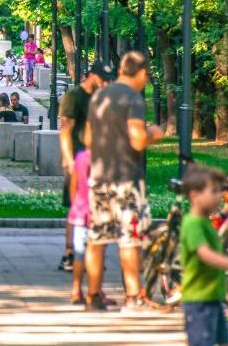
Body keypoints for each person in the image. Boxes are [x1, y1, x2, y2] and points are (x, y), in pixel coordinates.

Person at [83, 51, 163, 312]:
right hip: (127, 179)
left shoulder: (99, 96)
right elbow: (137, 139)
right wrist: (154, 133)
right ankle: (133, 297)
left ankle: (93, 296)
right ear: (141, 73)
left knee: (97, 238)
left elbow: (87, 139)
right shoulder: (133, 98)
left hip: (99, 178)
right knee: (130, 238)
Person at [178, 164, 228, 345]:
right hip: (199, 301)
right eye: (214, 191)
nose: (219, 196)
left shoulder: (205, 222)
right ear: (194, 195)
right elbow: (204, 253)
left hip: (213, 298)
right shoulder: (193, 224)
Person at [57, 62, 114, 272]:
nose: (105, 82)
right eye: (102, 78)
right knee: (76, 208)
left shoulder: (100, 98)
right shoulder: (74, 97)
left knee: (97, 206)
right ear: (90, 75)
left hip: (96, 160)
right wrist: (68, 160)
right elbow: (65, 130)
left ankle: (92, 252)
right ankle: (69, 252)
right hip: (77, 160)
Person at [67, 143, 92, 305]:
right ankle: (93, 290)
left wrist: (75, 205)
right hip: (96, 213)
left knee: (79, 252)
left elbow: (73, 186)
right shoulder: (103, 160)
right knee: (95, 253)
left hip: (79, 211)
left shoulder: (81, 158)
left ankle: (76, 289)